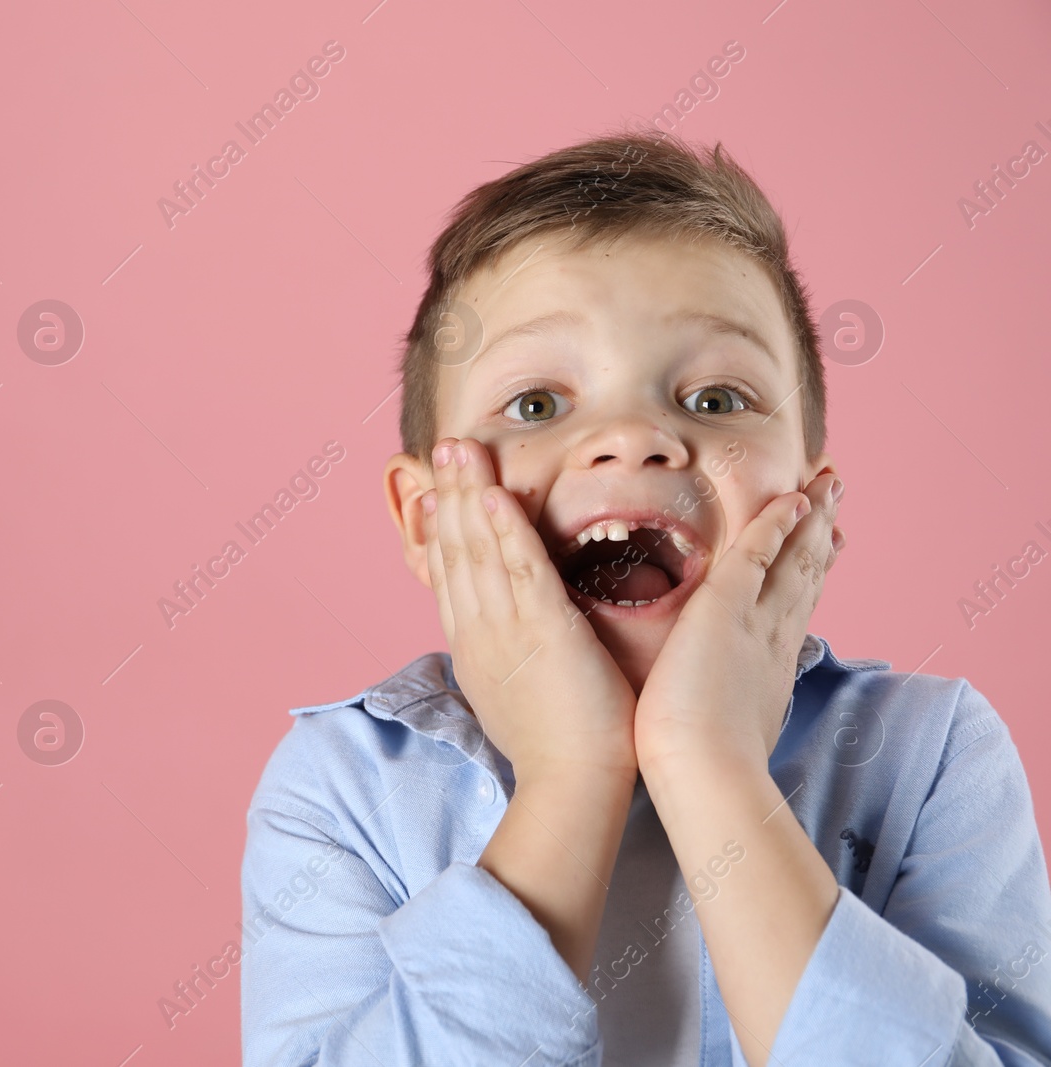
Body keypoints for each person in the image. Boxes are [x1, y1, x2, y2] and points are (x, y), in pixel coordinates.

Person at [239, 126, 1051, 1065]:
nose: (633, 438)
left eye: (714, 400)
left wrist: (708, 760)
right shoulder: (341, 786)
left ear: (812, 513)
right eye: (538, 404)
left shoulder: (931, 755)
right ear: (429, 520)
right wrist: (571, 774)